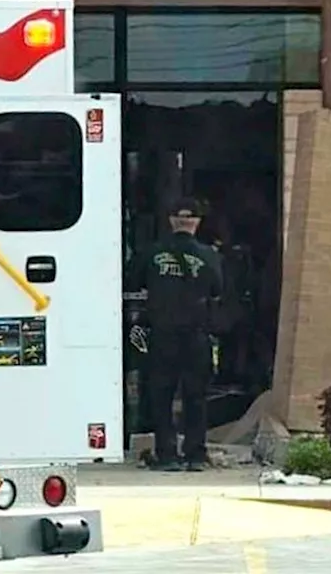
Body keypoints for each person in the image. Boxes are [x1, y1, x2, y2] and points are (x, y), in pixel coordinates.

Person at [129, 197, 223, 472]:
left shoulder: (150, 253)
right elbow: (218, 288)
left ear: (172, 221)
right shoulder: (209, 256)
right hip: (196, 335)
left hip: (161, 334)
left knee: (161, 395)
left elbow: (134, 281)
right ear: (196, 222)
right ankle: (195, 454)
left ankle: (167, 454)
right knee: (196, 396)